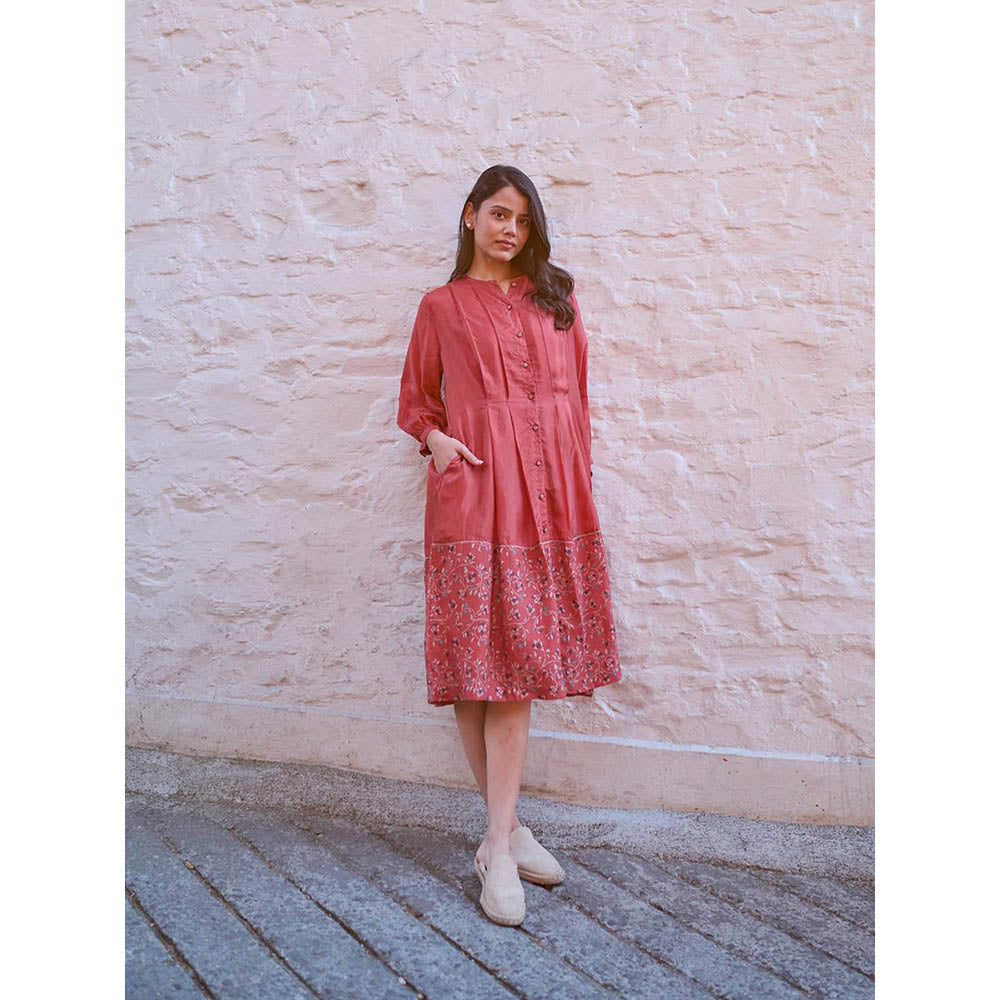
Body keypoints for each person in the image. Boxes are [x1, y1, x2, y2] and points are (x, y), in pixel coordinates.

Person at [396, 165, 622, 926]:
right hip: (474, 492)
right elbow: (416, 401)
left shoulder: (557, 299)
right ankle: (506, 837)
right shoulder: (441, 306)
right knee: (474, 671)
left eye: (523, 220)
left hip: (549, 498)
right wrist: (436, 442)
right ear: (470, 216)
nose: (510, 231)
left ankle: (499, 838)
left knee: (516, 666)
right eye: (498, 214)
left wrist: (574, 473)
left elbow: (576, 396)